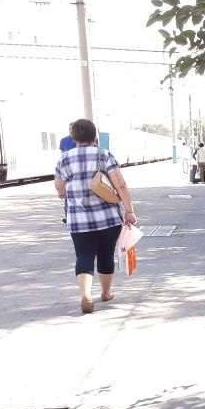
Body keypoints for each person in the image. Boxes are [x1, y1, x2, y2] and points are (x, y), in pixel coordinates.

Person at [54, 118, 137, 314]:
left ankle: (85, 295)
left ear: (73, 137)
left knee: (83, 255)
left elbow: (59, 189)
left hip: (78, 220)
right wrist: (129, 211)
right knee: (105, 255)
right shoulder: (103, 155)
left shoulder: (64, 159)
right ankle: (106, 293)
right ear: (95, 136)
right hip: (107, 219)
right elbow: (120, 185)